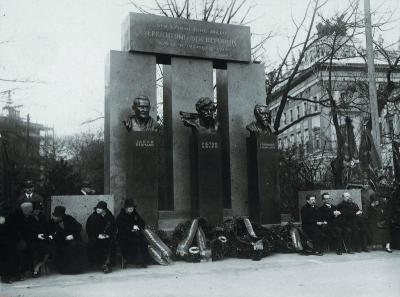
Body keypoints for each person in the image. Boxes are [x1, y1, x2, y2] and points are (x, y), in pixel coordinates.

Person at [50, 206, 86, 274]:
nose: (54, 217)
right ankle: (66, 269)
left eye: (56, 216)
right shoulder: (53, 222)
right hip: (61, 242)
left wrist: (73, 235)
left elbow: (79, 227)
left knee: (78, 246)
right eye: (54, 216)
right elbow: (52, 233)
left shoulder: (69, 219)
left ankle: (76, 269)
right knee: (66, 250)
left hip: (73, 240)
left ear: (61, 216)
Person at [116, 199, 149, 268]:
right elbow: (121, 228)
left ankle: (144, 261)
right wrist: (131, 228)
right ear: (125, 208)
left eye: (132, 207)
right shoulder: (120, 217)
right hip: (124, 236)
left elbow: (142, 223)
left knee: (144, 241)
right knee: (136, 242)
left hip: (136, 234)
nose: (131, 209)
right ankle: (138, 261)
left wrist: (138, 227)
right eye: (129, 207)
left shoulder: (135, 214)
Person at [86, 201, 116, 273]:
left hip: (107, 237)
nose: (97, 210)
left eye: (100, 208)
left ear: (104, 210)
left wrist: (108, 235)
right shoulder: (92, 217)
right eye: (97, 208)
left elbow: (114, 227)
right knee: (97, 244)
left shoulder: (110, 216)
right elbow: (89, 229)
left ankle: (107, 264)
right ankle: (102, 264)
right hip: (96, 237)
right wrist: (97, 235)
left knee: (111, 243)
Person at [28, 202, 52, 277]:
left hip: (44, 238)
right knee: (36, 250)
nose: (37, 211)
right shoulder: (29, 218)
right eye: (35, 210)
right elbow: (27, 231)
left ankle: (38, 266)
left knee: (48, 249)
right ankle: (36, 269)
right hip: (33, 239)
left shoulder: (42, 217)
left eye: (38, 210)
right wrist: (37, 236)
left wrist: (49, 235)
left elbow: (47, 228)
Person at [0, 206, 23, 283]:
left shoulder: (10, 218)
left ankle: (14, 275)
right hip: (5, 242)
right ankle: (6, 277)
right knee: (7, 260)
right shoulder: (6, 218)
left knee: (14, 258)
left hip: (10, 241)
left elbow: (14, 229)